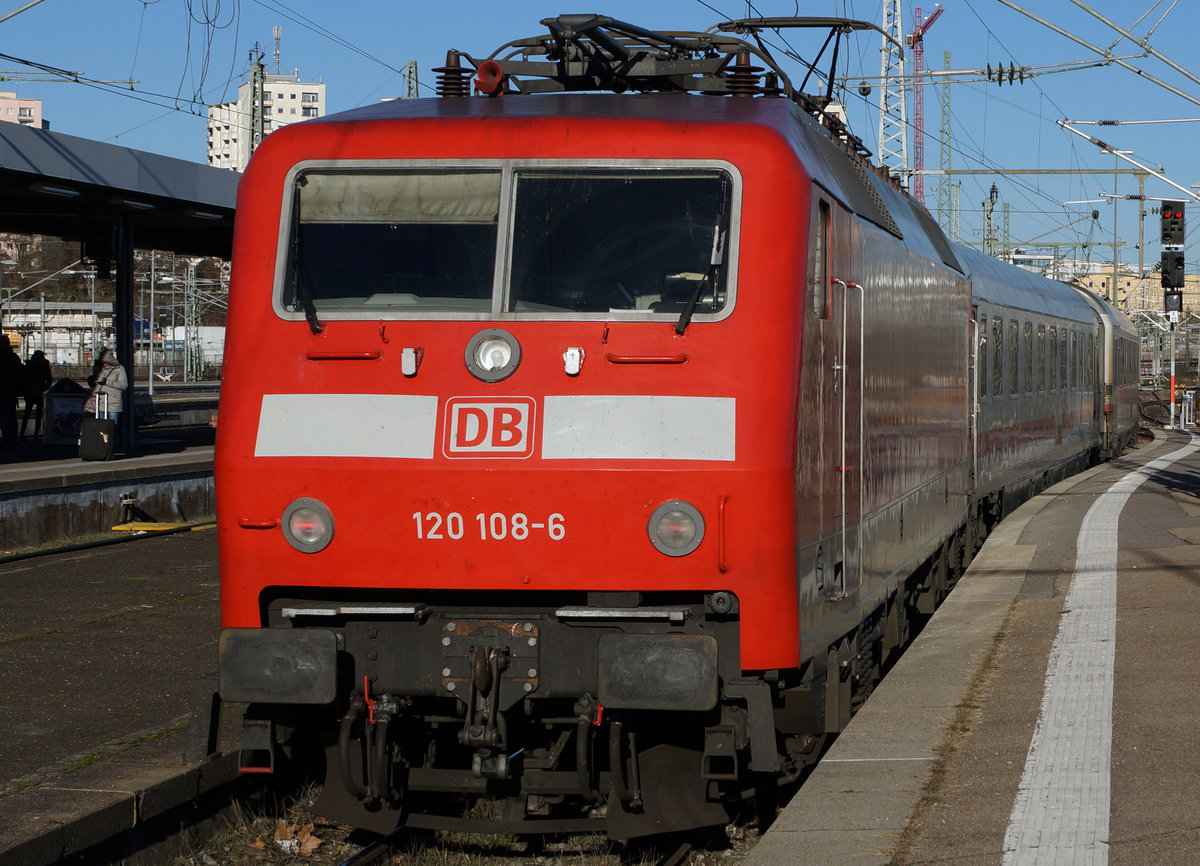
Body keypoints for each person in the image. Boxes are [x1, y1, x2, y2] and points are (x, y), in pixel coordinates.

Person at [89, 347, 128, 432]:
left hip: (113, 403)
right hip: (99, 402)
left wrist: (107, 382)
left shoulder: (119, 369)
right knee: (100, 427)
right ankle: (102, 444)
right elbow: (95, 384)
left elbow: (124, 385)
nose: (104, 365)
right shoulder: (98, 368)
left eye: (105, 363)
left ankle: (113, 443)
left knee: (113, 427)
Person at [20, 349, 52, 439]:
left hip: (29, 391)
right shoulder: (44, 365)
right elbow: (49, 379)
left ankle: (22, 433)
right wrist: (46, 388)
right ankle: (36, 433)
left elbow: (24, 378)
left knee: (27, 413)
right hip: (40, 391)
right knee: (39, 414)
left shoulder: (29, 365)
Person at [0, 335, 23, 450]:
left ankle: (7, 440)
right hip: (12, 391)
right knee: (11, 417)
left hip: (3, 391)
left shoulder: (3, 358)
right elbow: (20, 374)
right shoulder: (14, 357)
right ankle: (13, 439)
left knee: (4, 418)